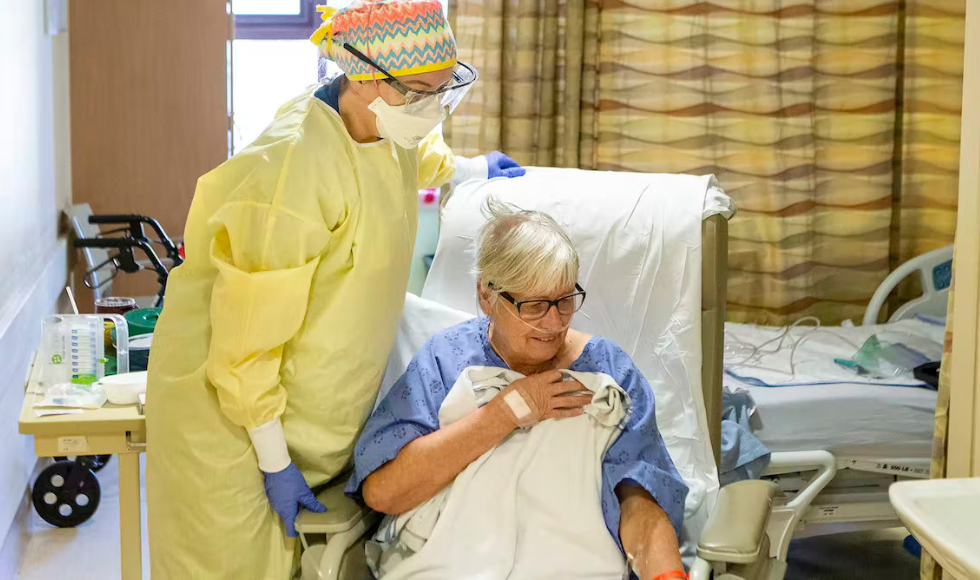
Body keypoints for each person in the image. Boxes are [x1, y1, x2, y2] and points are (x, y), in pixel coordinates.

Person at [144, 0, 524, 576]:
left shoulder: (382, 124)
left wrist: (473, 172)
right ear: (365, 77)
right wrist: (273, 460)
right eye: (421, 93)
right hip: (228, 427)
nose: (433, 109)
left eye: (444, 92)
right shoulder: (290, 169)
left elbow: (414, 154)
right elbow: (244, 346)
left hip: (301, 421)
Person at [347, 201, 690, 579]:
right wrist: (507, 412)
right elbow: (384, 492)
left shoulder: (608, 372)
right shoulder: (447, 360)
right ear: (486, 296)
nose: (554, 322)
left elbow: (640, 502)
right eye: (534, 305)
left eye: (564, 300)